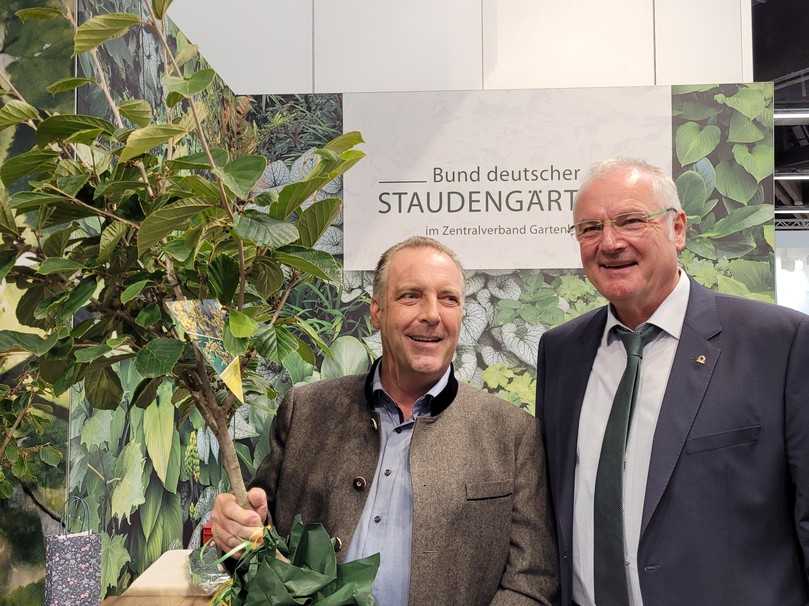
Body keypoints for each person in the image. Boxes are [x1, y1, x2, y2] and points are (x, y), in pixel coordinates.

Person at [214, 236, 559, 606]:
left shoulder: (512, 433)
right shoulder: (306, 411)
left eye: (449, 299)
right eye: (411, 295)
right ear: (376, 311)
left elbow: (531, 580)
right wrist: (237, 531)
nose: (432, 314)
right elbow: (257, 543)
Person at [536, 158, 809, 606]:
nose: (609, 242)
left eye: (629, 221)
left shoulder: (779, 344)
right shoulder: (561, 352)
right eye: (589, 228)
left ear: (677, 229)